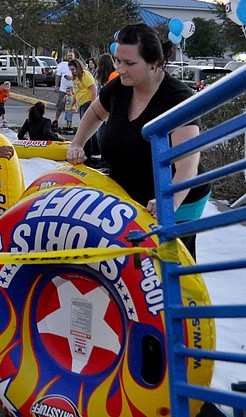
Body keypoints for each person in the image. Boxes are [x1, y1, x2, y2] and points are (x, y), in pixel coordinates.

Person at [66, 23, 211, 260]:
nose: (120, 69)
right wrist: (77, 143)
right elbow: (94, 113)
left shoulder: (178, 99)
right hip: (130, 191)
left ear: (154, 63)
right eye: (118, 61)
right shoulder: (119, 88)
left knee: (162, 266)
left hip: (178, 196)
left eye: (129, 64)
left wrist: (170, 202)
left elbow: (188, 164)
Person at [69, 57, 98, 154]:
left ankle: (88, 151)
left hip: (88, 102)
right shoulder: (76, 78)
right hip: (81, 103)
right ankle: (94, 150)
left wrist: (93, 104)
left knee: (86, 127)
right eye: (71, 70)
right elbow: (76, 92)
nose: (73, 72)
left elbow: (94, 89)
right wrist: (72, 105)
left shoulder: (85, 75)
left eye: (73, 69)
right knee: (88, 127)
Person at [52, 50, 76, 131]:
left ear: (74, 56)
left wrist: (71, 78)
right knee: (60, 105)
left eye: (71, 55)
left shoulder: (77, 65)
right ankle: (56, 121)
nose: (70, 57)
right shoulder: (63, 65)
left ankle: (69, 125)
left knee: (71, 108)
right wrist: (56, 86)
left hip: (74, 90)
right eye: (68, 55)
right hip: (63, 89)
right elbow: (58, 76)